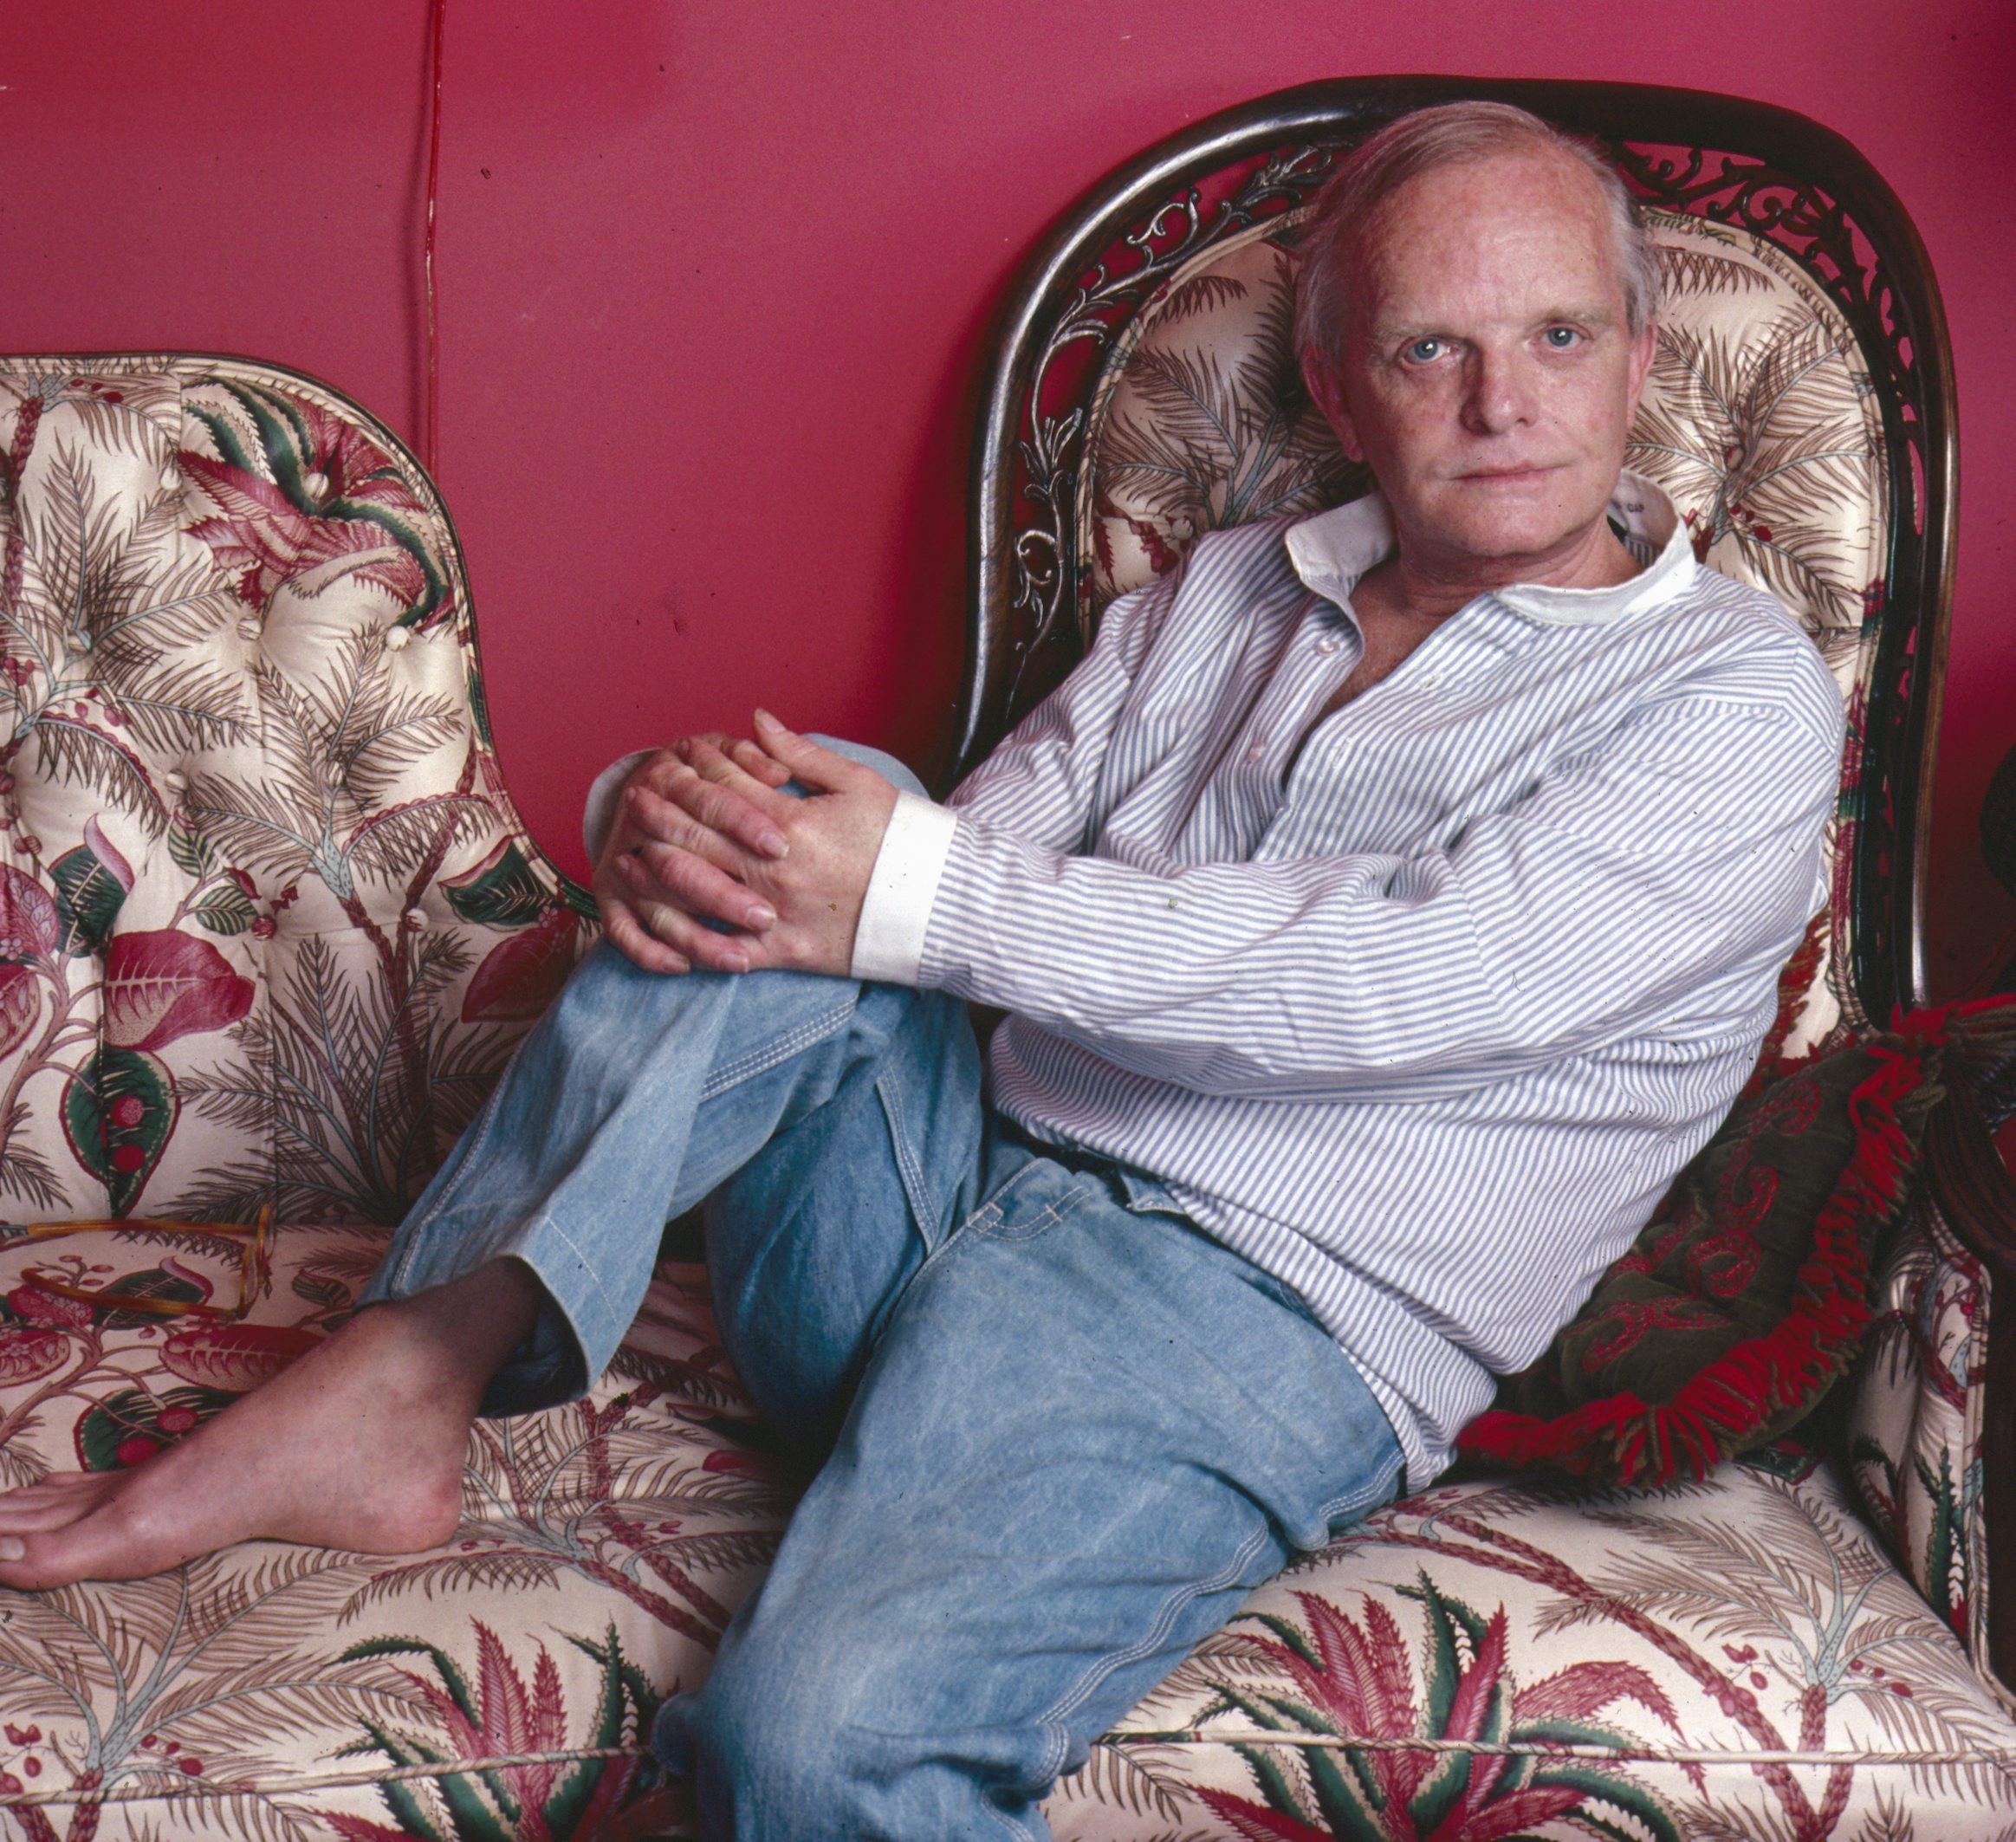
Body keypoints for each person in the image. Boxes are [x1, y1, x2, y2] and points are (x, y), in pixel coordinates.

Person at [0, 101, 1843, 1839]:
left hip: (1240, 1318)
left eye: (1561, 337)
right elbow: (948, 858)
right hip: (932, 1196)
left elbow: (1406, 979)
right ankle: (415, 1366)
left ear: (1643, 359)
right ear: (1345, 387)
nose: (1506, 402)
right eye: (1435, 348)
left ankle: (451, 1377)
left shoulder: (1728, 700)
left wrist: (879, 880)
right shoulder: (1229, 590)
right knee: (850, 803)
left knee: (822, 1743)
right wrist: (673, 812)